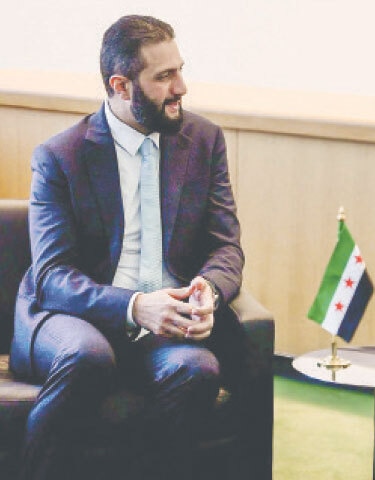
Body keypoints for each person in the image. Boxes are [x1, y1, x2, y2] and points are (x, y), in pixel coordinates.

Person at [10, 15, 270, 480]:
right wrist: (134, 306)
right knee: (89, 356)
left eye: (180, 70)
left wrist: (208, 289)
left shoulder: (204, 140)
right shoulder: (60, 156)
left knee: (198, 370)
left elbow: (226, 245)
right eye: (164, 76)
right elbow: (52, 277)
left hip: (167, 328)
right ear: (122, 85)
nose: (181, 87)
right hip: (72, 318)